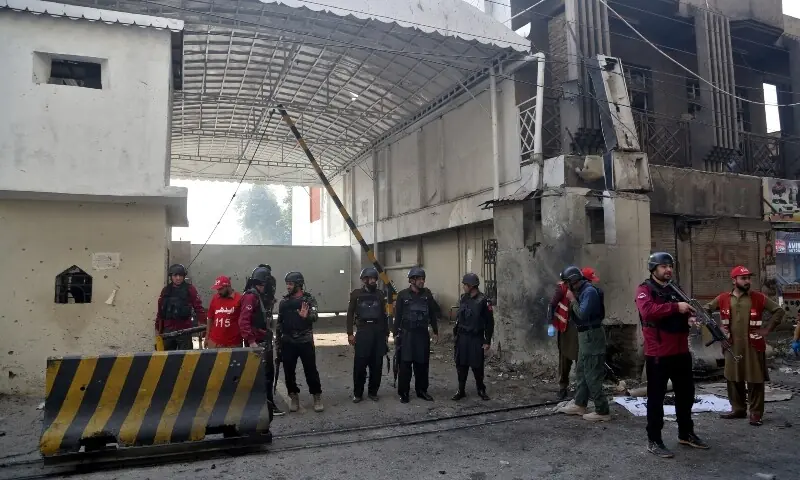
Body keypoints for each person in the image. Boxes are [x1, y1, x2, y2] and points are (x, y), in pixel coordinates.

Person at [634, 252, 708, 458]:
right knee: (656, 399)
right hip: (658, 354)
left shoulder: (676, 289)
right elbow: (647, 311)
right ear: (653, 269)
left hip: (681, 352)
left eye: (670, 266)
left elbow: (687, 310)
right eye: (663, 266)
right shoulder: (644, 289)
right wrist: (676, 307)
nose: (668, 269)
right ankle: (654, 440)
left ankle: (686, 433)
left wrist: (691, 319)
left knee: (686, 395)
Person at [705, 266, 785, 426]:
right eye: (743, 278)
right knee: (733, 378)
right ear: (734, 280)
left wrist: (767, 329)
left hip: (753, 345)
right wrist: (716, 328)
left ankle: (756, 413)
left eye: (749, 278)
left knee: (755, 380)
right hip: (731, 345)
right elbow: (705, 309)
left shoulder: (758, 297)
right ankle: (738, 409)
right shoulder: (723, 298)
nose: (747, 281)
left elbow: (778, 311)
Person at [557, 266, 609, 422]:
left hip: (592, 335)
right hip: (584, 335)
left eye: (567, 282)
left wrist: (572, 300)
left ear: (573, 281)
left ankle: (602, 410)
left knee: (592, 373)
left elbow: (582, 313)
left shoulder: (589, 292)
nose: (566, 286)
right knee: (581, 370)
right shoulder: (584, 290)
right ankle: (580, 404)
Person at [239, 266, 283, 417]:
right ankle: (266, 406)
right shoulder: (251, 297)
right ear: (262, 283)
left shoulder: (260, 297)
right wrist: (251, 342)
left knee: (267, 374)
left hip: (264, 339)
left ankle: (266, 403)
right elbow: (244, 321)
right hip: (257, 342)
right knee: (263, 376)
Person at [549, 267, 598, 400]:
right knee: (564, 358)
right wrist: (550, 323)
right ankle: (562, 387)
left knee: (581, 360)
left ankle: (581, 389)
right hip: (567, 328)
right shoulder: (563, 289)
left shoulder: (586, 291)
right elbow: (552, 304)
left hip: (581, 328)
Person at [393, 267, 441, 403]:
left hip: (422, 335)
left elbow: (432, 314)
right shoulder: (402, 295)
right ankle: (404, 393)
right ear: (412, 280)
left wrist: (436, 331)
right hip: (407, 335)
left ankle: (421, 391)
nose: (422, 281)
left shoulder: (427, 295)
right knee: (405, 365)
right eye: (419, 279)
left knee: (422, 364)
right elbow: (398, 317)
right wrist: (395, 333)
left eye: (423, 279)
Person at [277, 271, 323, 413]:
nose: (288, 287)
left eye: (290, 284)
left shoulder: (308, 300)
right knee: (289, 371)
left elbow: (315, 317)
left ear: (298, 284)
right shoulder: (284, 302)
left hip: (305, 341)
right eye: (287, 284)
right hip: (288, 342)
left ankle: (316, 396)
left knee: (311, 370)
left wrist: (306, 316)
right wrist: (278, 343)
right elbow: (279, 324)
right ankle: (294, 397)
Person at [347, 267, 389, 402]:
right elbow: (350, 314)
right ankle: (358, 393)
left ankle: (373, 392)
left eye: (374, 278)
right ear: (364, 280)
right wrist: (350, 333)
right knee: (360, 364)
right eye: (369, 278)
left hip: (378, 332)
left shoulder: (380, 294)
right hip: (363, 331)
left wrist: (386, 333)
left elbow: (384, 315)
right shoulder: (356, 294)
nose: (372, 281)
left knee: (376, 365)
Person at [451, 273, 494, 401]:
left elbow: (490, 323)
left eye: (465, 285)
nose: (463, 287)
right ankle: (461, 390)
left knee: (477, 366)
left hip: (476, 337)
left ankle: (481, 389)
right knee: (461, 365)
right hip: (462, 337)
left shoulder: (484, 301)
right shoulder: (463, 298)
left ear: (471, 286)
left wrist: (487, 341)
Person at [156, 264, 206, 350]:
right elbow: (160, 312)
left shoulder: (190, 289)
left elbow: (199, 308)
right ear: (171, 276)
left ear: (184, 276)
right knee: (166, 358)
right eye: (175, 275)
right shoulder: (165, 290)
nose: (178, 278)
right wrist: (157, 329)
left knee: (186, 358)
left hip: (185, 330)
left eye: (180, 275)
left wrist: (202, 324)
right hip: (168, 331)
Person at [205, 275, 243, 348]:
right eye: (217, 289)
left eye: (220, 289)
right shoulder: (215, 298)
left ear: (228, 287)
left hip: (233, 344)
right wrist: (207, 336)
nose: (218, 291)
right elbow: (210, 318)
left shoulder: (239, 299)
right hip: (214, 342)